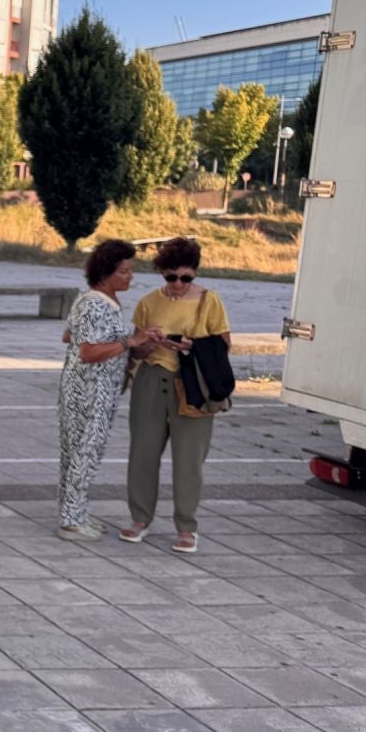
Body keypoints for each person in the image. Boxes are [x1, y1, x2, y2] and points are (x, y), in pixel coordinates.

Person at [121, 236, 232, 553]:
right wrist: (148, 342)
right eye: (171, 277)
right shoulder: (148, 302)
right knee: (142, 454)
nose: (179, 284)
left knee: (189, 459)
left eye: (186, 277)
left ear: (194, 273)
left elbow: (224, 346)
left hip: (193, 384)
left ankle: (186, 527)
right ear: (162, 273)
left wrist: (189, 346)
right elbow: (136, 350)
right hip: (151, 380)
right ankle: (140, 518)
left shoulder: (209, 301)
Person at [56, 239, 156, 540]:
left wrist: (131, 342)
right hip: (91, 391)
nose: (130, 277)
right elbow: (88, 351)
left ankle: (74, 512)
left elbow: (69, 336)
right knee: (85, 453)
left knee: (76, 452)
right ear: (105, 273)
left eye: (130, 271)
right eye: (124, 271)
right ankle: (71, 521)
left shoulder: (94, 300)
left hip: (85, 387)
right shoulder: (96, 304)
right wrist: (128, 342)